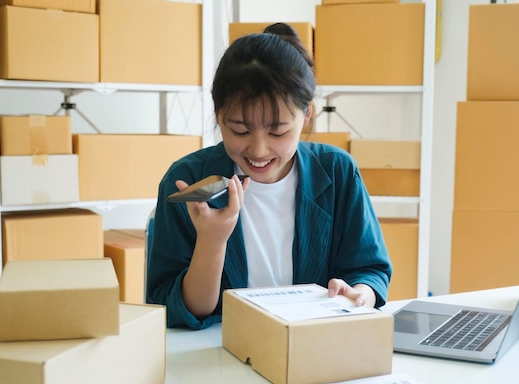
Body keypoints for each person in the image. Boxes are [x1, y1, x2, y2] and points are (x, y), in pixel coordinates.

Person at [146, 23, 392, 330]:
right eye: (240, 130)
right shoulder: (189, 180)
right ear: (218, 114)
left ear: (307, 114)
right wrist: (212, 241)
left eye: (277, 130)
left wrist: (360, 295)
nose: (259, 150)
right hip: (220, 357)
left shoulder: (337, 171)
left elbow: (369, 268)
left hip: (312, 349)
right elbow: (172, 307)